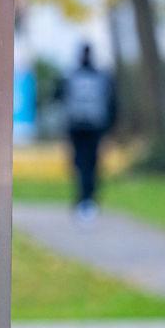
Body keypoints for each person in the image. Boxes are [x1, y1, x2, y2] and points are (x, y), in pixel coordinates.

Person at [56, 43, 117, 222]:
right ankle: (88, 199)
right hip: (93, 126)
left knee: (81, 163)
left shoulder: (71, 75)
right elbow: (112, 102)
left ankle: (83, 198)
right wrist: (110, 125)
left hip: (78, 126)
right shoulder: (101, 77)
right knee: (90, 164)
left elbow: (59, 96)